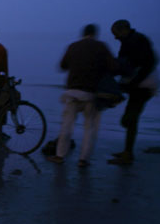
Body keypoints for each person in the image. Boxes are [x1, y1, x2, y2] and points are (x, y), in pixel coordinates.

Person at [47, 24, 118, 167]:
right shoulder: (101, 47)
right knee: (90, 128)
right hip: (91, 94)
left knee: (66, 126)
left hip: (72, 92)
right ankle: (83, 159)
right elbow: (114, 68)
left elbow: (62, 66)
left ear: (83, 33)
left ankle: (60, 155)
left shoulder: (73, 46)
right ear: (95, 34)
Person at [108, 19, 159, 165]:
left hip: (143, 86)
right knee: (131, 118)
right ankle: (127, 152)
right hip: (138, 86)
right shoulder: (130, 41)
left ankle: (128, 154)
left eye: (115, 33)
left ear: (123, 30)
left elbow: (148, 63)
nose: (115, 37)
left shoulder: (137, 40)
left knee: (129, 119)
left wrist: (133, 81)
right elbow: (124, 65)